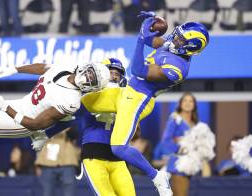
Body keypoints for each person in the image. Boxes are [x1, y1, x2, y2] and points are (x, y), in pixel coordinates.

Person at [80, 11, 210, 196]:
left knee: (118, 147)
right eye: (177, 34)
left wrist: (141, 39)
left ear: (190, 47)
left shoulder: (178, 68)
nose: (174, 39)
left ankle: (157, 176)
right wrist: (148, 25)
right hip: (126, 92)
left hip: (139, 99)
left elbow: (138, 69)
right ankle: (43, 131)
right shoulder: (174, 46)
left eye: (180, 40)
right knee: (82, 102)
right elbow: (152, 40)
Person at [43, 58, 136, 196]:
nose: (115, 76)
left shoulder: (124, 99)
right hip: (94, 155)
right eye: (111, 72)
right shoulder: (87, 97)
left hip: (117, 156)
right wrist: (45, 134)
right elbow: (68, 119)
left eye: (117, 74)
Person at [159, 92, 214, 196]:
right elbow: (165, 140)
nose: (188, 103)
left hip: (192, 164)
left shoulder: (195, 123)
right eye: (185, 100)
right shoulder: (175, 119)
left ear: (194, 104)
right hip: (178, 165)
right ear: (180, 104)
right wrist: (179, 149)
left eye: (190, 101)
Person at [35, 128, 80, 196]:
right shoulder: (45, 123)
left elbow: (75, 135)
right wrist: (38, 164)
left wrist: (65, 126)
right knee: (47, 192)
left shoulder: (70, 123)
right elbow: (38, 141)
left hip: (67, 162)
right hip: (47, 163)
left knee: (69, 193)